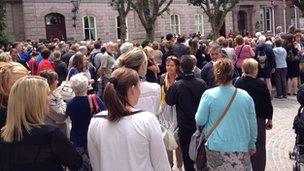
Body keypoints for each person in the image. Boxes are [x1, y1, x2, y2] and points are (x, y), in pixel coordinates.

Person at [88, 67, 170, 171]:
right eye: (139, 86)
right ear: (132, 89)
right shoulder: (147, 120)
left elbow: (96, 164)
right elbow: (161, 165)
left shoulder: (95, 121)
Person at [0, 76, 83, 171]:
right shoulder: (50, 134)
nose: (51, 98)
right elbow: (77, 163)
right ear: (35, 101)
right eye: (48, 94)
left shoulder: (4, 136)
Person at [196, 58, 257, 170]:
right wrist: (252, 144)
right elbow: (253, 123)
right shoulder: (246, 96)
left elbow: (200, 120)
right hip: (241, 146)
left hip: (216, 145)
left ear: (216, 74)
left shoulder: (209, 95)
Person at [166, 55, 207, 171]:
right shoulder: (201, 83)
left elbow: (169, 101)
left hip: (184, 126)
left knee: (187, 155)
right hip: (200, 125)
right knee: (200, 154)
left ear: (181, 69)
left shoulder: (177, 85)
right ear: (193, 67)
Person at [235, 58, 273, 171]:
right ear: (255, 70)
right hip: (258, 119)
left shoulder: (238, 82)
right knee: (259, 146)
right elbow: (267, 103)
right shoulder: (261, 84)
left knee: (242, 143)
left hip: (241, 118)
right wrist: (270, 119)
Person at [66, 73, 105, 169]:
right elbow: (105, 113)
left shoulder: (69, 102)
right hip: (94, 136)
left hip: (77, 138)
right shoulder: (95, 99)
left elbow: (68, 115)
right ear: (86, 86)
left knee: (81, 165)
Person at [118, 47, 161, 115]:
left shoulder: (117, 87)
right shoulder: (155, 88)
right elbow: (156, 112)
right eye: (146, 62)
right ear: (143, 65)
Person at [0, 62, 28, 128]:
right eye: (16, 84)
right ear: (3, 84)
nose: (23, 88)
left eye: (26, 83)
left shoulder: (27, 100)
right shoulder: (3, 110)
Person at [40, 71, 68, 136]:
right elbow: (62, 115)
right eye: (56, 80)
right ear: (50, 82)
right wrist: (62, 101)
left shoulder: (54, 93)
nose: (58, 82)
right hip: (54, 134)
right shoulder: (47, 98)